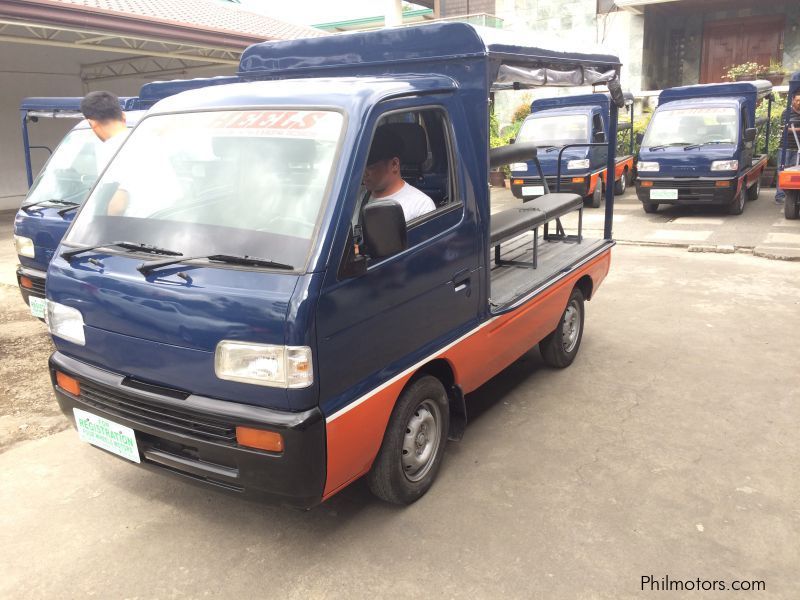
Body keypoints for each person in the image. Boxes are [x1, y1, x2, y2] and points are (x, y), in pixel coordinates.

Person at [362, 126, 435, 222]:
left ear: (394, 164)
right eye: (362, 167)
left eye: (371, 167)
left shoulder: (421, 206)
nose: (364, 173)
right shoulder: (357, 199)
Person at [80, 91, 130, 215]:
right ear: (123, 116)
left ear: (92, 123)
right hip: (170, 220)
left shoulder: (110, 149)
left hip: (138, 225)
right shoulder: (147, 137)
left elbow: (118, 205)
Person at [775, 92, 800, 205]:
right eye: (797, 100)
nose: (799, 103)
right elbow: (785, 128)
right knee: (782, 171)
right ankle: (780, 196)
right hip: (785, 148)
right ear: (792, 101)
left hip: (797, 149)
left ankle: (792, 198)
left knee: (795, 175)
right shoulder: (786, 113)